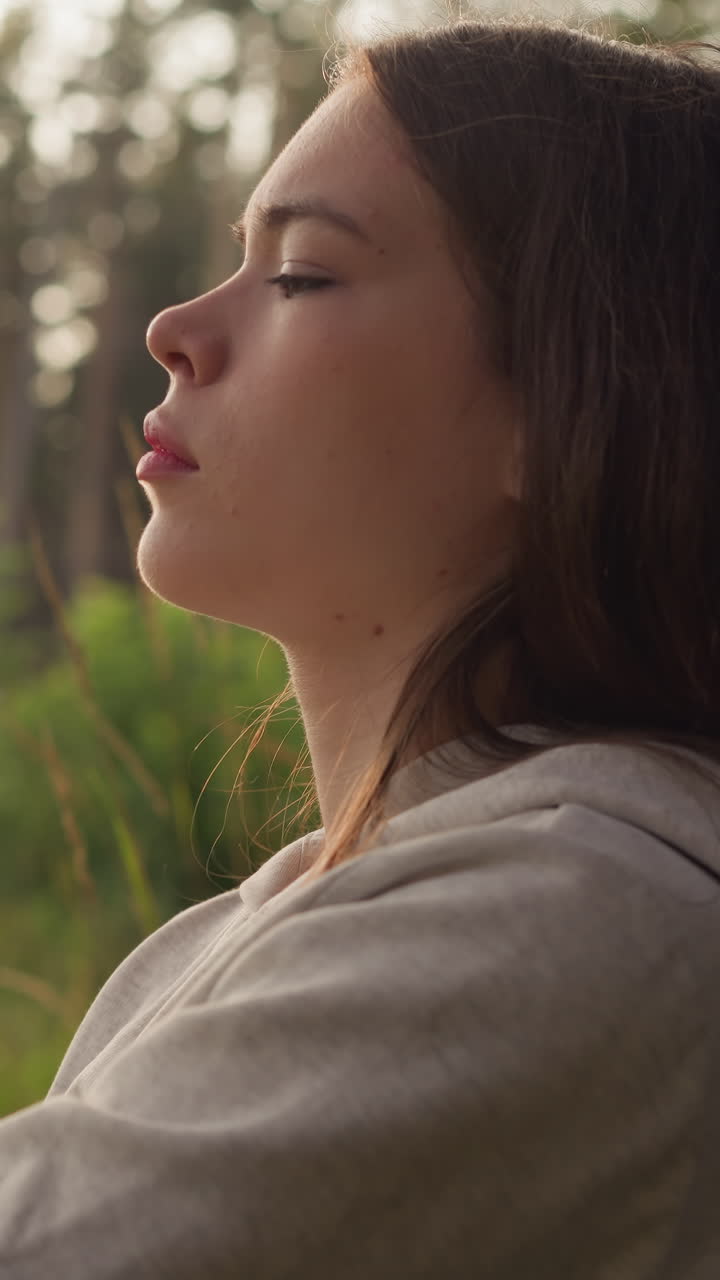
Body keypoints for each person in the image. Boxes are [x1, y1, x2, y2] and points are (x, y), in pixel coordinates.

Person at [3, 13, 720, 1277]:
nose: (176, 326)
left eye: (302, 275)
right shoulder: (265, 919)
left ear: (566, 408)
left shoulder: (578, 914)